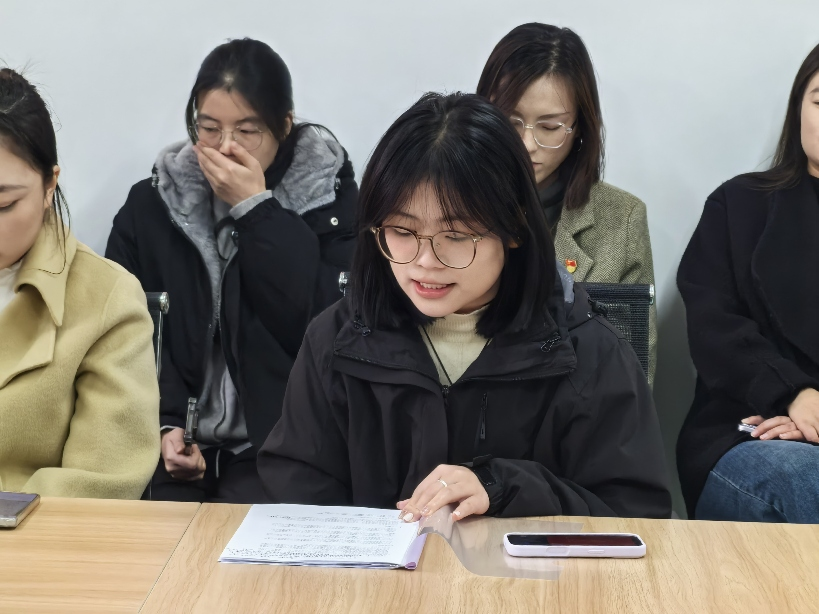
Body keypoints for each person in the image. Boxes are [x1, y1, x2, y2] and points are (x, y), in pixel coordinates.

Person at [258, 92, 671, 521]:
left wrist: (505, 487)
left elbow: (635, 514)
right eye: (402, 231)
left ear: (514, 228)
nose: (424, 261)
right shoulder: (335, 341)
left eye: (455, 236)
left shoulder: (591, 354)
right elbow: (295, 493)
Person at [105, 39, 358, 503]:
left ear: (284, 126)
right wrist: (165, 424)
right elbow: (125, 329)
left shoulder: (332, 206)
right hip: (173, 441)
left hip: (280, 447)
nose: (225, 146)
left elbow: (319, 325)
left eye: (247, 130)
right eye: (209, 128)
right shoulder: (152, 206)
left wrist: (256, 210)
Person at [676, 43, 819, 522]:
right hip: (746, 428)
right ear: (798, 107)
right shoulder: (739, 205)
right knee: (803, 478)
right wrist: (793, 395)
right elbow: (713, 327)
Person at [0, 68, 159, 498]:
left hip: (32, 535)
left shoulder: (106, 300)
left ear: (49, 185)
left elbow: (102, 480)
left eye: (3, 204)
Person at [477, 23, 658, 385]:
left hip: (577, 412)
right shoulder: (444, 204)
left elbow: (632, 375)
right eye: (510, 121)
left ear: (580, 128)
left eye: (549, 127)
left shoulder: (621, 218)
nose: (527, 144)